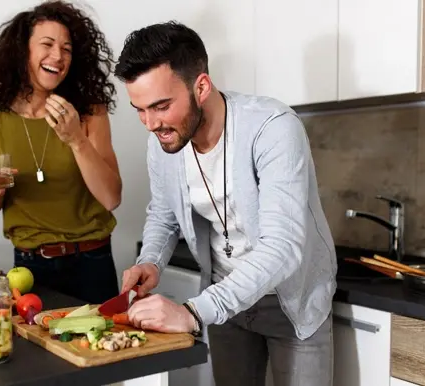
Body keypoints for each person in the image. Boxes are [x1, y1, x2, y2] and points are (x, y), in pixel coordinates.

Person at [115, 21, 337, 386]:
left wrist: (192, 312)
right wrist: (150, 261)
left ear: (200, 86)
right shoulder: (164, 140)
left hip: (292, 301)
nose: (150, 124)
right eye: (139, 109)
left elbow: (282, 247)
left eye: (161, 106)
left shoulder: (273, 126)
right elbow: (164, 214)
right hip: (226, 302)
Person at [0, 0, 122, 305]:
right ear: (22, 51)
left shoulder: (89, 114)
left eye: (67, 49)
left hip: (93, 263)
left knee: (100, 349)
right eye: (47, 44)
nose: (58, 56)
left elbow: (112, 198)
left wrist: (76, 138)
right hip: (30, 267)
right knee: (37, 352)